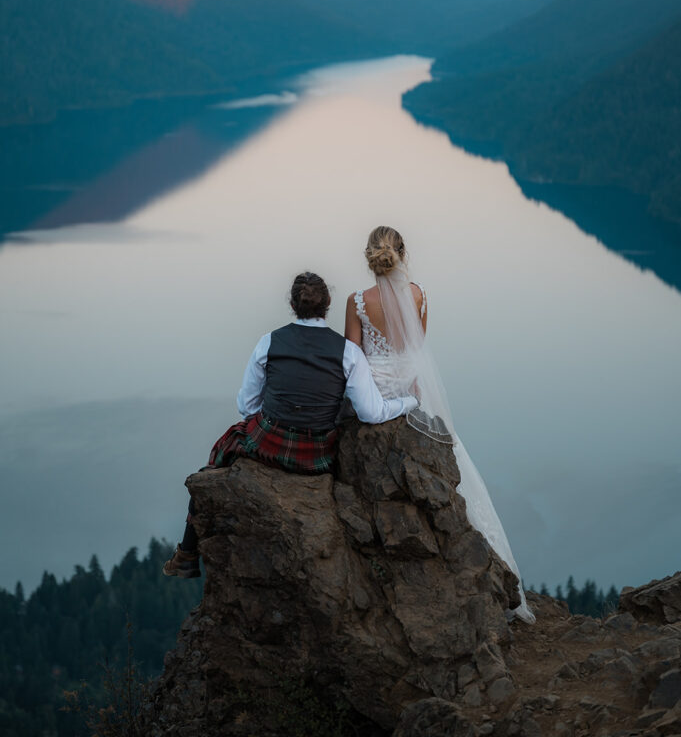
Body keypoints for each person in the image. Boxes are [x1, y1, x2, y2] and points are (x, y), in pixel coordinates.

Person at [163, 270, 418, 579]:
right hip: (317, 455)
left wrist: (274, 414)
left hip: (269, 441)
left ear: (293, 304)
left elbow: (246, 406)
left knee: (221, 450)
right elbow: (371, 412)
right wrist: (410, 402)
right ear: (327, 304)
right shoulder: (348, 353)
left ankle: (187, 554)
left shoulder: (269, 341)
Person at [345, 226, 536, 624]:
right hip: (412, 390)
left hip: (376, 391)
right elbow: (417, 350)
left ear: (369, 256)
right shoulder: (418, 295)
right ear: (401, 254)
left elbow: (352, 356)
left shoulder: (357, 302)